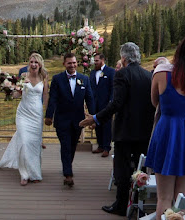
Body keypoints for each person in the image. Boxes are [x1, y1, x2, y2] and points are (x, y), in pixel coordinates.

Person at [79, 42, 155, 216]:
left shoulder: (122, 75)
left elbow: (117, 103)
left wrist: (96, 118)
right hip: (144, 131)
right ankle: (137, 203)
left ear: (124, 57)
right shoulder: (147, 75)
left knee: (122, 170)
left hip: (125, 131)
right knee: (139, 169)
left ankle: (121, 205)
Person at [145, 34, 185, 220]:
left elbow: (155, 102)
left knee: (163, 197)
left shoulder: (161, 74)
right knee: (184, 197)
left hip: (166, 133)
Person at [0, 53, 49, 186]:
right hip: (23, 114)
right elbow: (17, 94)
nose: (34, 64)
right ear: (29, 63)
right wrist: (9, 89)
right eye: (31, 62)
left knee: (34, 145)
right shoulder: (24, 76)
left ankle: (35, 173)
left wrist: (46, 112)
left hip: (36, 114)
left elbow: (46, 95)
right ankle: (24, 174)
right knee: (24, 143)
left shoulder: (44, 76)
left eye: (36, 62)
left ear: (40, 64)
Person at [45, 53, 95, 187]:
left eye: (74, 63)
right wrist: (49, 116)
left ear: (77, 63)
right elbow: (53, 98)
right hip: (62, 120)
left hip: (78, 121)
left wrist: (93, 117)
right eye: (69, 63)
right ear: (64, 64)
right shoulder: (57, 79)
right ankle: (68, 174)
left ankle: (67, 166)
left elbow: (89, 98)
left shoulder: (84, 79)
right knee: (65, 145)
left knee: (72, 145)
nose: (72, 65)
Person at [89, 53, 115, 157]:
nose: (95, 63)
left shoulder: (110, 72)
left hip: (106, 103)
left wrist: (111, 101)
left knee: (107, 125)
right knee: (97, 124)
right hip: (95, 104)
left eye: (97, 61)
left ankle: (106, 147)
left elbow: (113, 88)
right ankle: (100, 145)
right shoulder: (92, 73)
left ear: (103, 60)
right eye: (94, 61)